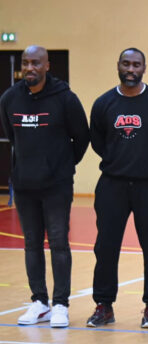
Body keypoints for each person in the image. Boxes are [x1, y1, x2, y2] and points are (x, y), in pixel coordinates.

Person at [0, 45, 89, 328]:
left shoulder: (65, 98)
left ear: (47, 65)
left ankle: (60, 304)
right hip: (25, 185)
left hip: (56, 186)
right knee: (31, 244)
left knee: (59, 243)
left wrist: (63, 166)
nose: (30, 68)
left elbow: (82, 137)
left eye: (36, 62)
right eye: (26, 62)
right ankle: (39, 302)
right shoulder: (9, 98)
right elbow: (12, 136)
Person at [87, 48, 148, 328]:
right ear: (118, 66)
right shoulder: (103, 103)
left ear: (144, 68)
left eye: (136, 64)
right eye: (126, 64)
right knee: (106, 246)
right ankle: (104, 305)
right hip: (112, 184)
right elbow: (98, 142)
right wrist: (119, 160)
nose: (131, 69)